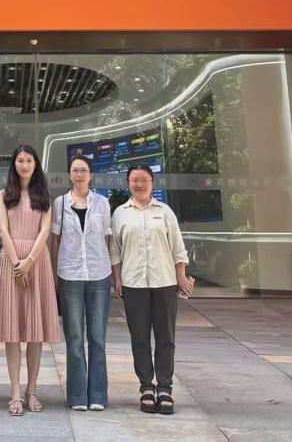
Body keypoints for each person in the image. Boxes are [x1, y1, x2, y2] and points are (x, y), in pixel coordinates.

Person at [110, 164, 194, 416]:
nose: (139, 184)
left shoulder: (164, 212)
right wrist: (117, 279)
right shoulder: (120, 214)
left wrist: (181, 277)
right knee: (140, 338)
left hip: (164, 282)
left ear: (152, 183)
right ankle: (146, 386)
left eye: (144, 180)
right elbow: (115, 251)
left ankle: (165, 388)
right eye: (134, 180)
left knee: (166, 337)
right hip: (133, 283)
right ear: (128, 183)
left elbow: (178, 248)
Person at [0, 144, 61, 417]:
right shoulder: (3, 195)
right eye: (20, 160)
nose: (24, 165)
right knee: (12, 331)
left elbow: (45, 231)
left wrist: (29, 261)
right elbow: (3, 229)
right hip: (12, 262)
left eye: (29, 160)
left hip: (37, 261)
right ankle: (15, 392)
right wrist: (16, 262)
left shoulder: (44, 196)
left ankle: (32, 390)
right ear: (14, 164)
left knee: (35, 331)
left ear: (36, 164)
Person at [51, 154, 113, 411]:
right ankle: (77, 396)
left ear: (91, 175)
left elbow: (107, 237)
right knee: (74, 337)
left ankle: (97, 395)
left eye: (83, 170)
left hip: (99, 274)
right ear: (69, 174)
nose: (79, 174)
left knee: (97, 336)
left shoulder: (102, 203)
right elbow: (55, 239)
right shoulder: (60, 203)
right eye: (75, 170)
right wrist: (54, 274)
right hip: (70, 274)